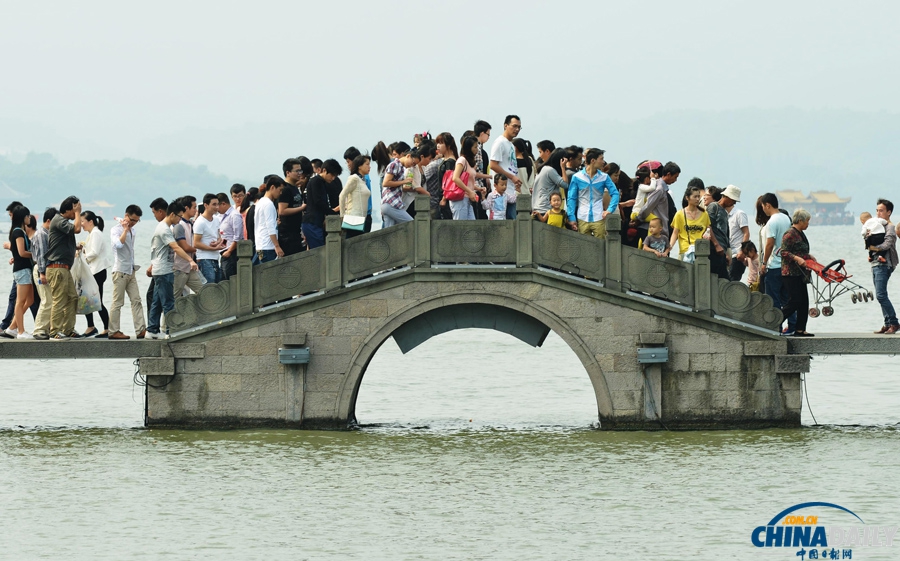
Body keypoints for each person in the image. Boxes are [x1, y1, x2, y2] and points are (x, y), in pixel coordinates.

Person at [147, 200, 198, 339]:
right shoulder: (164, 229)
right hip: (164, 271)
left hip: (161, 269)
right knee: (169, 303)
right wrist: (190, 260)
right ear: (173, 214)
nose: (180, 219)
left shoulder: (165, 227)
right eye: (180, 216)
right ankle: (171, 331)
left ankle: (152, 330)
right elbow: (176, 247)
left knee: (157, 302)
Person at [46, 196, 82, 340]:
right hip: (57, 268)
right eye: (74, 210)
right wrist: (78, 213)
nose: (76, 214)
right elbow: (77, 229)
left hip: (64, 268)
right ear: (68, 210)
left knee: (72, 298)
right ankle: (54, 331)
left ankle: (68, 329)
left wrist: (75, 246)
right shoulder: (59, 220)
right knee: (59, 300)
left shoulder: (63, 222)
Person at [758, 193, 795, 335]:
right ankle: (792, 326)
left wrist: (764, 263)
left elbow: (769, 244)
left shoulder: (772, 221)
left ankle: (776, 328)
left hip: (774, 265)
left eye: (763, 207)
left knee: (773, 299)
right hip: (786, 265)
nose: (763, 210)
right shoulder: (786, 218)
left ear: (768, 205)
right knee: (787, 299)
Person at [108, 205, 146, 340]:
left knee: (136, 300)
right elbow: (118, 245)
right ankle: (113, 331)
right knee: (117, 302)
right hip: (119, 271)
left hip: (131, 271)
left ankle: (141, 329)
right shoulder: (115, 230)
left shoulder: (133, 231)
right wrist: (125, 229)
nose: (133, 223)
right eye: (132, 219)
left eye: (136, 221)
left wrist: (129, 229)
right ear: (126, 216)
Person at [566, 148, 619, 237]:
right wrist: (571, 217)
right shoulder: (577, 177)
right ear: (593, 160)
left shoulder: (604, 177)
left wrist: (610, 210)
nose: (603, 162)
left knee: (600, 246)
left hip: (598, 216)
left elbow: (615, 193)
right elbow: (571, 198)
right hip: (582, 216)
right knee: (584, 246)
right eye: (601, 159)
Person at [778, 209, 814, 337]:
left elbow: (799, 249)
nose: (808, 223)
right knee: (795, 300)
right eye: (807, 221)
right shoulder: (790, 234)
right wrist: (797, 258)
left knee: (804, 301)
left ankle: (800, 329)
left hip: (801, 273)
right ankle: (775, 321)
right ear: (800, 221)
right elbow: (784, 252)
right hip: (790, 273)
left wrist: (808, 256)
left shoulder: (800, 233)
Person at [868, 199, 899, 334]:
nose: (878, 213)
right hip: (876, 263)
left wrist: (873, 248)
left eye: (881, 210)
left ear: (889, 212)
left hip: (885, 264)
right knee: (880, 294)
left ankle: (894, 322)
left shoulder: (890, 227)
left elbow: (887, 244)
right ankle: (887, 323)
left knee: (881, 295)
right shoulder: (878, 226)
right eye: (877, 210)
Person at [80, 211, 112, 338]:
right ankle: (92, 326)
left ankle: (106, 328)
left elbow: (94, 252)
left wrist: (84, 254)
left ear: (90, 221)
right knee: (88, 299)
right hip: (94, 271)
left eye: (83, 221)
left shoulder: (96, 233)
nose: (81, 224)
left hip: (98, 271)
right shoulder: (92, 233)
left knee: (95, 300)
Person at [4, 205, 35, 338]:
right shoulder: (18, 232)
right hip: (21, 270)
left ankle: (12, 327)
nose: (29, 218)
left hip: (24, 269)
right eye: (28, 216)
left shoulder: (20, 231)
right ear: (23, 217)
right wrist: (36, 255)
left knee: (30, 300)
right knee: (20, 301)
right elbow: (22, 253)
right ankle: (20, 331)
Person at [302, 159, 343, 249]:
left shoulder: (322, 182)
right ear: (324, 170)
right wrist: (332, 211)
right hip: (312, 222)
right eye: (332, 175)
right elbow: (318, 202)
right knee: (318, 252)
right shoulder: (316, 181)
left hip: (316, 222)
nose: (333, 178)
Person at [489, 115, 524, 220]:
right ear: (505, 125)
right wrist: (512, 177)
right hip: (501, 193)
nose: (517, 129)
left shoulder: (511, 145)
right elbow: (493, 164)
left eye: (519, 127)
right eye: (514, 126)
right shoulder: (499, 142)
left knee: (512, 222)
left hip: (511, 191)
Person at [29, 207, 56, 340]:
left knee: (49, 300)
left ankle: (47, 328)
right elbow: (40, 256)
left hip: (45, 269)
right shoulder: (41, 234)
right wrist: (42, 273)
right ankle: (39, 330)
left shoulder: (47, 233)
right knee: (46, 300)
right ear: (49, 220)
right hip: (41, 270)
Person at [637, 161, 680, 242]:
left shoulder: (659, 187)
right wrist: (639, 218)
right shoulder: (659, 189)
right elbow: (648, 206)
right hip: (655, 231)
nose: (675, 180)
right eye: (675, 177)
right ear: (668, 174)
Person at [171, 195, 204, 298]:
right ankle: (168, 315)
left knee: (204, 291)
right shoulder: (179, 225)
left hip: (190, 267)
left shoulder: (190, 223)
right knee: (175, 297)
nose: (196, 210)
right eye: (194, 207)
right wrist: (203, 249)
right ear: (186, 208)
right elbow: (184, 247)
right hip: (179, 268)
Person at [278, 158, 311, 256]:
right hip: (287, 234)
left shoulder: (295, 188)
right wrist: (302, 208)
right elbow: (282, 211)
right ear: (288, 172)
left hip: (296, 232)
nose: (300, 173)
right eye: (297, 171)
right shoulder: (285, 189)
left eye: (300, 170)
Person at [669, 185, 709, 262]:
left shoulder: (704, 214)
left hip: (701, 252)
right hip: (685, 251)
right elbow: (675, 233)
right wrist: (670, 247)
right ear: (687, 198)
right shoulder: (680, 214)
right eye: (695, 197)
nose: (697, 199)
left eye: (698, 196)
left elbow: (708, 229)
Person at [380, 144, 417, 228]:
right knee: (412, 224)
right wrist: (404, 181)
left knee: (390, 231)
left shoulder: (401, 167)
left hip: (389, 203)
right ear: (408, 156)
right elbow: (386, 182)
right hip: (391, 202)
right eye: (413, 162)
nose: (412, 165)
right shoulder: (395, 164)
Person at [719, 185, 750, 281]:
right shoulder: (722, 214)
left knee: (733, 282)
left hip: (737, 254)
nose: (735, 202)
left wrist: (742, 251)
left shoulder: (739, 214)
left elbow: (746, 233)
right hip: (727, 254)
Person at [450, 136, 485, 220]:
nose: (477, 149)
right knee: (461, 227)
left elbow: (467, 181)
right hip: (460, 199)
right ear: (469, 148)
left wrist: (478, 188)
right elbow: (455, 178)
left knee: (470, 226)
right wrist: (470, 191)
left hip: (467, 198)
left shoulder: (468, 162)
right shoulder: (462, 160)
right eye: (475, 147)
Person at [193, 193, 225, 284]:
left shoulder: (216, 219)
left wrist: (218, 242)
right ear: (206, 205)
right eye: (214, 204)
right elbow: (196, 243)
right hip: (204, 258)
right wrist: (213, 248)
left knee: (217, 285)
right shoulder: (200, 222)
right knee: (208, 287)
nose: (216, 207)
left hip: (215, 257)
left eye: (217, 204)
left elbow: (219, 236)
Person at [253, 176, 285, 264]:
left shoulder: (260, 202)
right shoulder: (269, 204)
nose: (281, 193)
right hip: (268, 246)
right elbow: (270, 227)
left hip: (260, 245)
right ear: (272, 187)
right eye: (280, 189)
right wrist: (277, 246)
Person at [340, 155, 372, 239]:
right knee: (354, 244)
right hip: (354, 218)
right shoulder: (354, 178)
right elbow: (342, 195)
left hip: (362, 218)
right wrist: (342, 215)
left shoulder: (363, 180)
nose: (369, 167)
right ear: (359, 166)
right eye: (367, 164)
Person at [703, 185, 731, 280]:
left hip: (721, 251)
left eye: (707, 195)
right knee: (721, 279)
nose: (704, 197)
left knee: (723, 278)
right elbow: (708, 226)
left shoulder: (724, 211)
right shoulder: (713, 206)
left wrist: (726, 252)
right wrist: (716, 245)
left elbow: (725, 233)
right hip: (714, 250)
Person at [531, 148, 569, 215]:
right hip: (545, 209)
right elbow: (565, 184)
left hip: (538, 207)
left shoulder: (544, 168)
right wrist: (563, 167)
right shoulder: (550, 170)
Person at [220, 184, 245, 279]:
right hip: (226, 248)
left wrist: (230, 250)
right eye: (235, 196)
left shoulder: (238, 213)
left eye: (240, 196)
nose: (238, 199)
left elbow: (237, 236)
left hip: (237, 247)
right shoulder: (230, 211)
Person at [513, 138, 537, 204]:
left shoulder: (514, 161)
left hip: (517, 195)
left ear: (515, 148)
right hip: (529, 195)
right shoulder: (530, 159)